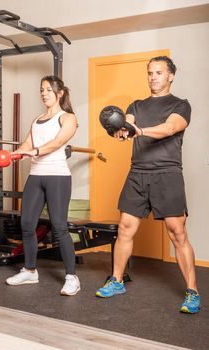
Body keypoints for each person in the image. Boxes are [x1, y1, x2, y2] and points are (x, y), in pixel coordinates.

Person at [96, 56, 200, 313]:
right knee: (125, 229)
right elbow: (128, 121)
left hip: (167, 174)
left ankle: (192, 291)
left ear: (171, 76)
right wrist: (120, 129)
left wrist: (139, 131)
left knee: (178, 233)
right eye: (150, 73)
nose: (153, 77)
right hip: (138, 173)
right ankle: (117, 280)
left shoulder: (181, 105)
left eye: (159, 72)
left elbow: (168, 128)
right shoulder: (137, 105)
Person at [6, 75, 80, 296]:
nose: (44, 93)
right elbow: (28, 143)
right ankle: (30, 270)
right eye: (42, 90)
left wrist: (34, 152)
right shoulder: (37, 119)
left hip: (57, 176)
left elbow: (57, 142)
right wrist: (16, 154)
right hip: (36, 176)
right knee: (27, 224)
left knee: (59, 226)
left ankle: (71, 277)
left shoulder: (68, 118)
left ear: (60, 93)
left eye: (48, 90)